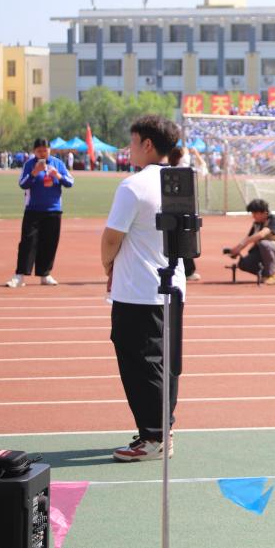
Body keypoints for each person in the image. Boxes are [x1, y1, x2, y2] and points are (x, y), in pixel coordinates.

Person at [101, 115, 186, 462]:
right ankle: (162, 428)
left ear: (147, 144)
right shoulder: (179, 181)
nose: (129, 148)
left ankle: (154, 436)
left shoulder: (133, 186)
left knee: (140, 364)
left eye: (133, 142)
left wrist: (108, 265)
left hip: (137, 289)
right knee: (165, 362)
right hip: (172, 285)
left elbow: (111, 238)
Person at [6, 139, 74, 287]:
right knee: (28, 243)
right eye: (39, 151)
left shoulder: (58, 163)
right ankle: (20, 275)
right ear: (34, 151)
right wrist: (34, 173)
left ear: (50, 150)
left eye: (45, 150)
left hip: (54, 210)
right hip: (33, 210)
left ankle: (45, 274)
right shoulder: (29, 164)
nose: (42, 153)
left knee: (50, 243)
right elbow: (22, 183)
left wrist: (58, 175)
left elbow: (70, 182)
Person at [226, 199, 275, 285]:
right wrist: (236, 250)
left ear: (264, 212)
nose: (253, 216)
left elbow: (261, 234)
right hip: (264, 253)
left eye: (254, 213)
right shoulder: (256, 224)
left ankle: (272, 275)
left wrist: (241, 245)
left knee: (264, 244)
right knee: (244, 264)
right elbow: (248, 238)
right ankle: (270, 271)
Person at [167, 146, 201, 281]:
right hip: (183, 209)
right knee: (184, 240)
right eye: (185, 154)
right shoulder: (185, 171)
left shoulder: (168, 170)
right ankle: (187, 270)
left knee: (172, 240)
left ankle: (183, 269)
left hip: (172, 209)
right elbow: (202, 168)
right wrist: (196, 154)